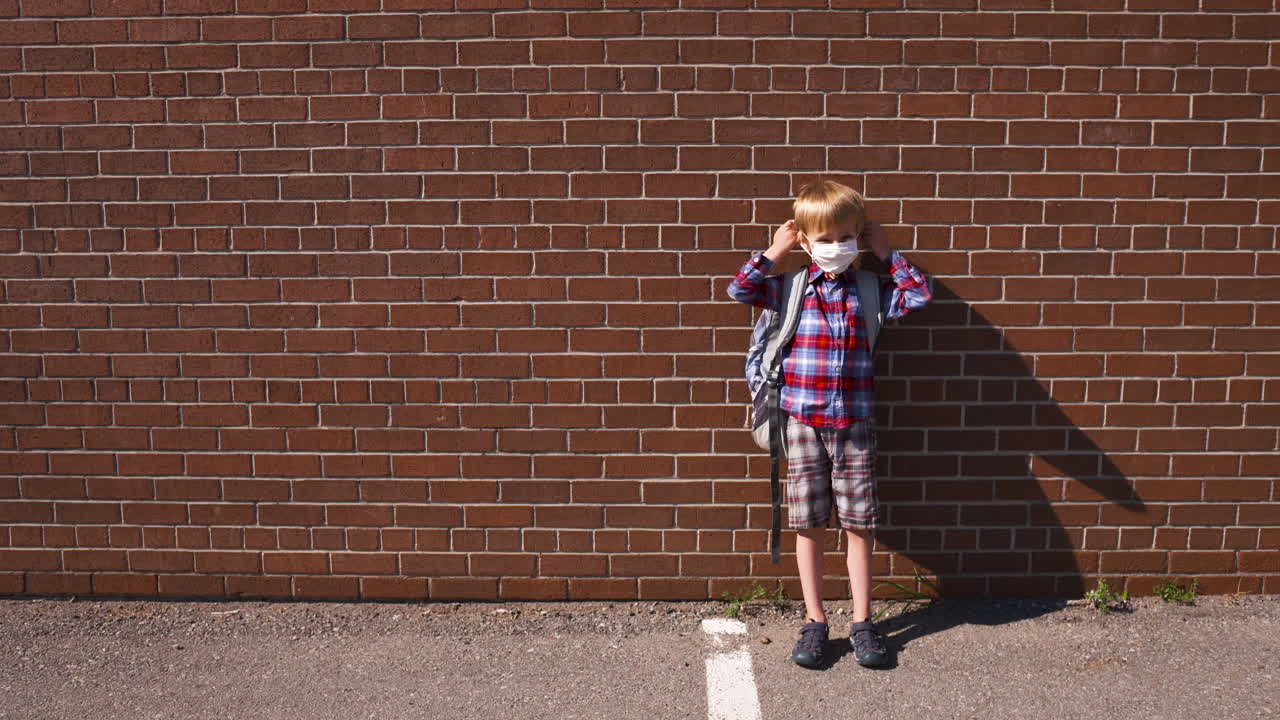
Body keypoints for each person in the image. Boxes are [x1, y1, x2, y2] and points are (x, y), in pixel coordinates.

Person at [725, 179, 933, 669]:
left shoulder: (870, 290)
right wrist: (775, 250)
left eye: (845, 237)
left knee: (860, 525)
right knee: (810, 525)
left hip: (855, 423)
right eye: (823, 238)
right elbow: (740, 289)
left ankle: (863, 621)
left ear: (857, 237)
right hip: (800, 422)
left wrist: (886, 253)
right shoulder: (790, 287)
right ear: (805, 239)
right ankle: (815, 621)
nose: (834, 247)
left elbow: (919, 296)